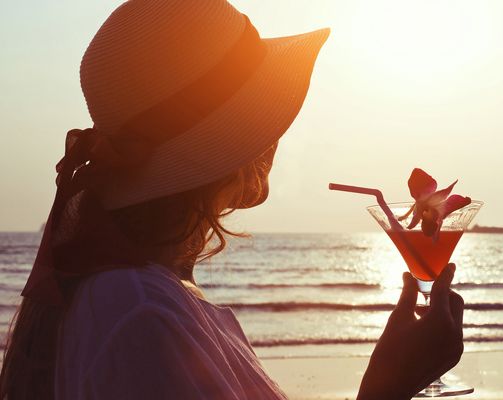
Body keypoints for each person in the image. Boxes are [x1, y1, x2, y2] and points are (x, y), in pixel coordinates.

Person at [0, 1, 465, 399]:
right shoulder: (141, 313)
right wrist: (388, 387)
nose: (279, 133)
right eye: (264, 112)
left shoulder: (147, 299)